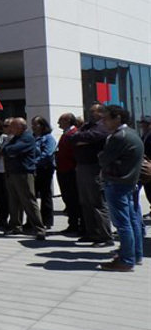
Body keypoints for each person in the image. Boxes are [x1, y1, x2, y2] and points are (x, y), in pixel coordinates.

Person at [98, 105, 144, 272]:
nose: (103, 122)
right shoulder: (131, 133)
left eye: (106, 118)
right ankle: (135, 255)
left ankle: (126, 259)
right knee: (132, 221)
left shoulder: (119, 137)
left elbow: (103, 158)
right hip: (127, 182)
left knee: (123, 223)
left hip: (117, 183)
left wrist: (102, 157)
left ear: (117, 118)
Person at [69, 103, 113, 247]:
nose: (90, 113)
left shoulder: (103, 126)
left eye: (93, 111)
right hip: (82, 167)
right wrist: (80, 139)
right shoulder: (87, 125)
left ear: (101, 113)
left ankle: (105, 236)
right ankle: (91, 232)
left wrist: (81, 138)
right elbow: (73, 137)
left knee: (97, 202)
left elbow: (93, 136)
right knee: (85, 202)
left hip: (94, 168)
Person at [2, 118, 46, 240]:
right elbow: (3, 150)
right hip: (12, 173)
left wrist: (8, 150)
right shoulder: (15, 138)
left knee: (29, 201)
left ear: (21, 127)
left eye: (13, 126)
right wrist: (7, 149)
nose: (10, 129)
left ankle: (39, 229)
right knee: (13, 201)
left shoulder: (27, 138)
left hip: (24, 173)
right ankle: (16, 226)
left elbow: (12, 150)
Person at [56, 113, 82, 234]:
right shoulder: (66, 134)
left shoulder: (73, 134)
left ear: (67, 120)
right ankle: (72, 223)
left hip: (70, 171)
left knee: (74, 198)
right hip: (63, 170)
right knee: (68, 199)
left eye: (60, 120)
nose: (58, 123)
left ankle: (78, 224)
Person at [32, 116, 56, 229]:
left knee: (45, 195)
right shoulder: (32, 137)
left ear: (42, 125)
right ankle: (33, 220)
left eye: (35, 124)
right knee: (32, 195)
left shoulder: (48, 138)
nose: (32, 126)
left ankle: (47, 221)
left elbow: (47, 154)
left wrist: (34, 162)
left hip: (44, 169)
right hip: (33, 170)